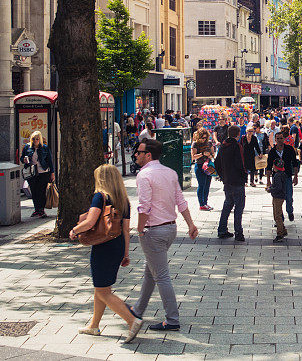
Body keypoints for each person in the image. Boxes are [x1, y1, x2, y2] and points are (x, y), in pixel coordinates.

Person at [129, 138, 199, 332]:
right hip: (170, 229)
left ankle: (172, 319)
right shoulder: (170, 173)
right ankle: (137, 309)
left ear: (148, 155)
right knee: (150, 271)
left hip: (154, 230)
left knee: (160, 275)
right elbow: (181, 201)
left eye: (139, 152)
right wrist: (191, 224)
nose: (136, 154)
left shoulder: (144, 175)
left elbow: (144, 206)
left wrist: (140, 229)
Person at [68, 164, 142, 343]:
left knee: (103, 291)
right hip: (116, 246)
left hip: (103, 246)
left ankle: (132, 320)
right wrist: (125, 253)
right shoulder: (124, 200)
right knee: (101, 288)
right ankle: (94, 325)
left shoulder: (100, 197)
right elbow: (126, 230)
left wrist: (74, 230)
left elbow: (90, 221)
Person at [215, 126, 248, 242]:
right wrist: (244, 176)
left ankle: (222, 229)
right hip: (237, 181)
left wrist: (223, 176)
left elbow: (216, 162)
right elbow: (241, 163)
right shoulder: (237, 146)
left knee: (227, 205)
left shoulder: (223, 146)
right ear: (238, 134)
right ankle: (238, 232)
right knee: (239, 207)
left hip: (227, 181)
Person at [266, 131, 299, 241]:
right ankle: (281, 221)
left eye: (281, 138)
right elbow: (268, 167)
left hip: (288, 177)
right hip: (277, 178)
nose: (280, 140)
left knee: (289, 197)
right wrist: (268, 181)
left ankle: (289, 211)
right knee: (278, 201)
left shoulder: (289, 149)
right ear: (275, 140)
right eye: (278, 138)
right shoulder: (272, 151)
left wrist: (296, 176)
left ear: (284, 139)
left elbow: (295, 163)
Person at [21, 131, 54, 218]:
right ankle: (36, 209)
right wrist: (24, 160)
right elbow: (21, 158)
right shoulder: (27, 147)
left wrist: (52, 173)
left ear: (40, 139)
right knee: (34, 192)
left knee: (41, 191)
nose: (35, 140)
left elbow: (50, 161)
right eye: (33, 139)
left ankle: (41, 210)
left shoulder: (44, 148)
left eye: (37, 139)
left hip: (43, 172)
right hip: (32, 173)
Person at [190, 128, 215, 211]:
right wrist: (202, 154)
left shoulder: (209, 143)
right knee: (201, 185)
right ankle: (201, 204)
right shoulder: (195, 144)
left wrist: (210, 155)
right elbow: (193, 157)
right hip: (200, 165)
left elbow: (213, 154)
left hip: (208, 166)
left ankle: (205, 203)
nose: (204, 139)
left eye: (205, 138)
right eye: (202, 138)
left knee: (207, 185)